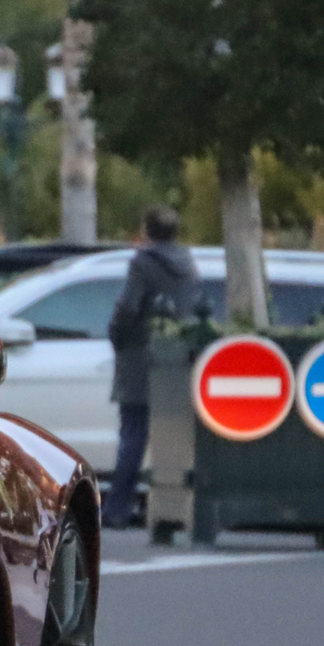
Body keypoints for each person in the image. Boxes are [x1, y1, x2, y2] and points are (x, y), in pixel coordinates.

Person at [102, 205, 199, 529]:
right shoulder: (187, 264)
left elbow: (128, 306)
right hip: (176, 353)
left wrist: (118, 335)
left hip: (140, 355)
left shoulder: (143, 263)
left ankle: (117, 507)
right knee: (174, 434)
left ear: (147, 229)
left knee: (133, 433)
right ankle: (175, 506)